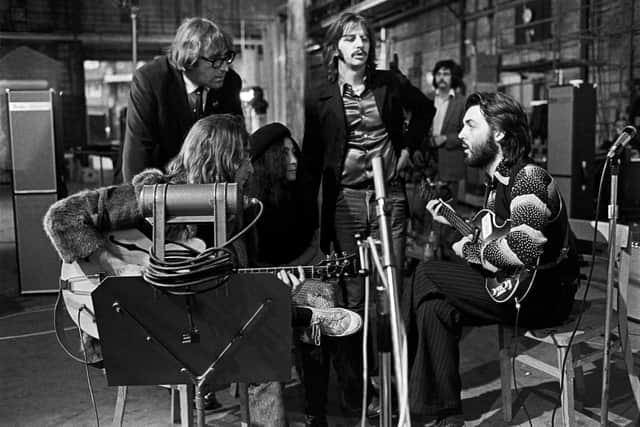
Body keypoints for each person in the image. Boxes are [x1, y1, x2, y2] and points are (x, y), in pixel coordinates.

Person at [402, 92, 580, 426]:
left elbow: (523, 250)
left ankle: (397, 370)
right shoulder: (496, 184)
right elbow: (497, 238)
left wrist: (472, 250)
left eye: (470, 125)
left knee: (426, 273)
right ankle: (447, 416)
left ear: (498, 132)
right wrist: (460, 230)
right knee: (434, 307)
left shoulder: (528, 178)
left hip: (543, 295)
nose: (460, 135)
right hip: (519, 288)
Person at [300, 11, 435, 422]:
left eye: (364, 38)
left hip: (388, 197)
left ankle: (400, 387)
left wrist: (409, 149)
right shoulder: (319, 94)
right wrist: (304, 212)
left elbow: (425, 110)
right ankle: (361, 390)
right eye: (350, 38)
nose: (359, 45)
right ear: (336, 46)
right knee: (352, 297)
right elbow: (311, 154)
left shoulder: (390, 84)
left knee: (390, 291)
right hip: (343, 201)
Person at [246, 122, 362, 426]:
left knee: (319, 309)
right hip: (262, 280)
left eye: (294, 152)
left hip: (303, 271)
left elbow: (314, 245)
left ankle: (316, 410)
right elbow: (246, 257)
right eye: (285, 155)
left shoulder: (306, 191)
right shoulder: (248, 199)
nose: (294, 160)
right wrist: (272, 280)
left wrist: (305, 276)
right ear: (268, 161)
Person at [114, 17, 243, 183]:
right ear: (190, 58)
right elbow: (138, 152)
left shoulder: (230, 83)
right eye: (215, 60)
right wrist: (141, 200)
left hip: (205, 186)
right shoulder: (150, 80)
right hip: (153, 181)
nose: (225, 67)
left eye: (227, 58)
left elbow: (235, 144)